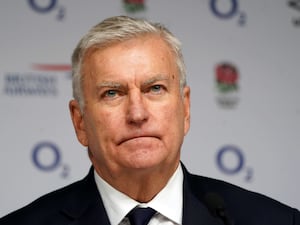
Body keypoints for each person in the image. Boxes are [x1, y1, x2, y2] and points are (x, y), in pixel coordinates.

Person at [0, 15, 299, 225]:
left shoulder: (275, 220)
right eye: (112, 93)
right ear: (80, 123)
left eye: (155, 88)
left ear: (185, 108)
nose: (137, 113)